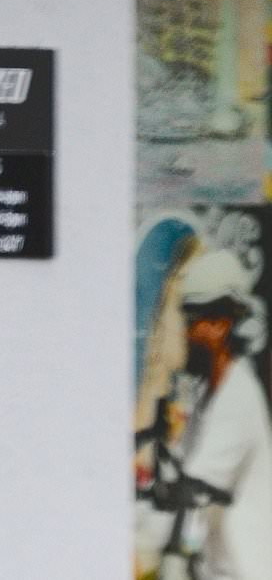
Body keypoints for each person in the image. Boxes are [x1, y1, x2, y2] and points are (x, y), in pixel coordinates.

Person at [137, 248, 272, 579]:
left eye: (191, 319)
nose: (183, 331)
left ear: (219, 324)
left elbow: (187, 489)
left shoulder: (239, 397)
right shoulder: (204, 395)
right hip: (214, 568)